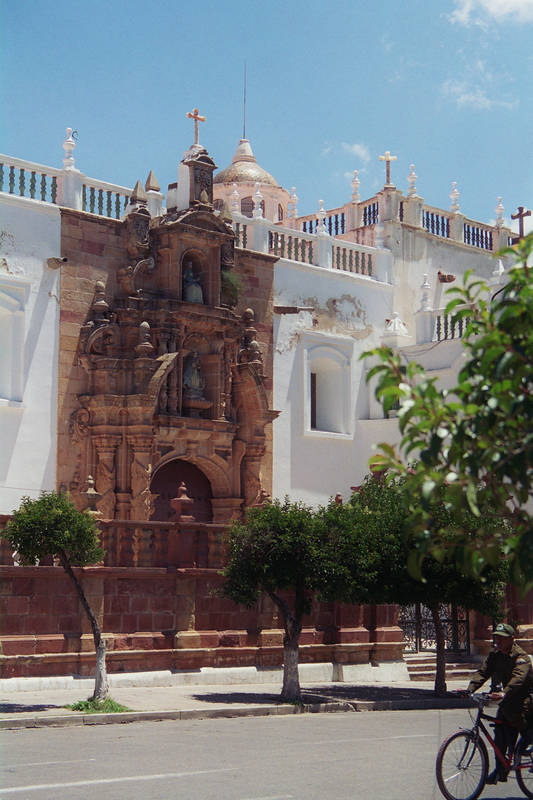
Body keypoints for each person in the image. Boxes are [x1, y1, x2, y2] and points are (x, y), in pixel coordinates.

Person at [466, 622, 533, 783]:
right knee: (500, 737)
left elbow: (518, 679)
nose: (498, 641)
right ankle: (500, 770)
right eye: (496, 638)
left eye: (502, 638)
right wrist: (469, 689)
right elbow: (483, 672)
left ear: (512, 639)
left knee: (521, 724)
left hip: (524, 699)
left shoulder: (521, 657)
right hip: (507, 701)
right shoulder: (496, 655)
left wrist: (503, 693)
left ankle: (529, 742)